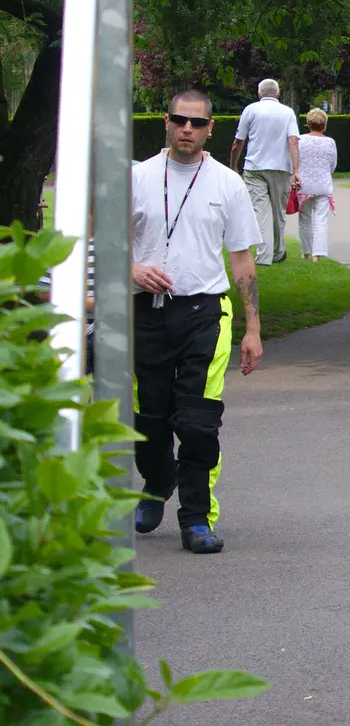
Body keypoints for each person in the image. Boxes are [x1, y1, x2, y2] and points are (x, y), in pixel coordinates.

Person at [131, 90, 264, 555]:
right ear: (165, 123)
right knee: (147, 421)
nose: (187, 129)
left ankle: (197, 520)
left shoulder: (228, 185)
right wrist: (131, 268)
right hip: (144, 315)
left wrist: (252, 329)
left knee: (197, 423)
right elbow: (102, 239)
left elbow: (243, 261)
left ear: (211, 128)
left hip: (203, 314)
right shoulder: (138, 177)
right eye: (179, 120)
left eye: (197, 122)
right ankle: (156, 481)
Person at [231, 78, 300, 265]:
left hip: (254, 167)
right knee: (278, 212)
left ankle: (264, 255)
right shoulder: (288, 112)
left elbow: (239, 141)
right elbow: (293, 140)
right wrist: (296, 170)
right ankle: (278, 252)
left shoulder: (250, 110)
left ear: (259, 94)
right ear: (277, 94)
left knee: (260, 211)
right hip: (281, 168)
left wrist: (233, 165)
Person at [296, 108, 338, 260]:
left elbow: (294, 160)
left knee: (304, 219)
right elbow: (332, 165)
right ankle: (318, 254)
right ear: (324, 125)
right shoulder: (330, 142)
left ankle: (306, 251)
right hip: (323, 185)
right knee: (321, 220)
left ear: (308, 124)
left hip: (304, 185)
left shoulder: (300, 140)